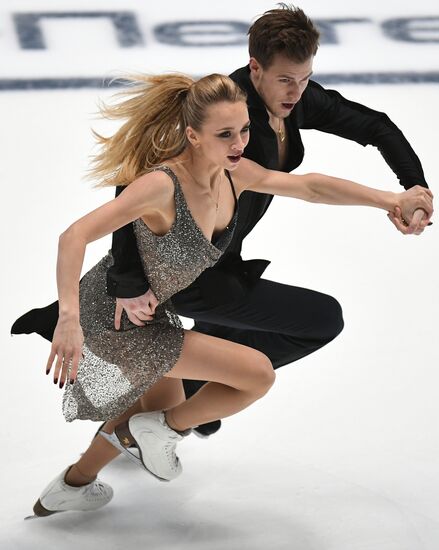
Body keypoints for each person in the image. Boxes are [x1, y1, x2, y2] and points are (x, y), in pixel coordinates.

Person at [12, 71, 432, 518]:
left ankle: (72, 486)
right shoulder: (161, 185)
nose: (238, 143)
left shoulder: (236, 175)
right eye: (225, 134)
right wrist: (68, 320)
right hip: (115, 316)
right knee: (257, 375)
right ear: (192, 135)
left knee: (150, 415)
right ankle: (150, 435)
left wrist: (390, 199)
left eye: (244, 130)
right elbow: (73, 236)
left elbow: (310, 186)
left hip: (155, 317)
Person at [102, 4, 434, 437]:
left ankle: (117, 442)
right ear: (255, 67)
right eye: (285, 79)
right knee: (319, 321)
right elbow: (134, 183)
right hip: (185, 271)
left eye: (305, 78)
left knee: (202, 369)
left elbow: (376, 126)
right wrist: (127, 281)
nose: (296, 92)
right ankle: (175, 415)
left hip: (222, 257)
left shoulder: (294, 99)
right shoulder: (225, 113)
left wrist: (413, 187)